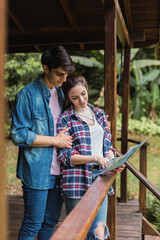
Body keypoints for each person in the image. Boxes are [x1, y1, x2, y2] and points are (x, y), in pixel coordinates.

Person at [10, 46, 75, 240]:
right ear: (45, 68)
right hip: (37, 171)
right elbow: (19, 135)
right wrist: (56, 140)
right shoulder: (27, 95)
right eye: (59, 74)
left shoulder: (62, 94)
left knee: (50, 222)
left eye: (65, 75)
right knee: (33, 224)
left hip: (59, 171)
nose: (64, 80)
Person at [56, 74, 124, 240]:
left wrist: (111, 158)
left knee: (98, 232)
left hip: (100, 177)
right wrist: (95, 158)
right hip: (76, 180)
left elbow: (107, 142)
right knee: (79, 232)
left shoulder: (99, 114)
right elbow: (65, 156)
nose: (82, 100)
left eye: (83, 94)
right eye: (75, 97)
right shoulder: (65, 120)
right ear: (68, 98)